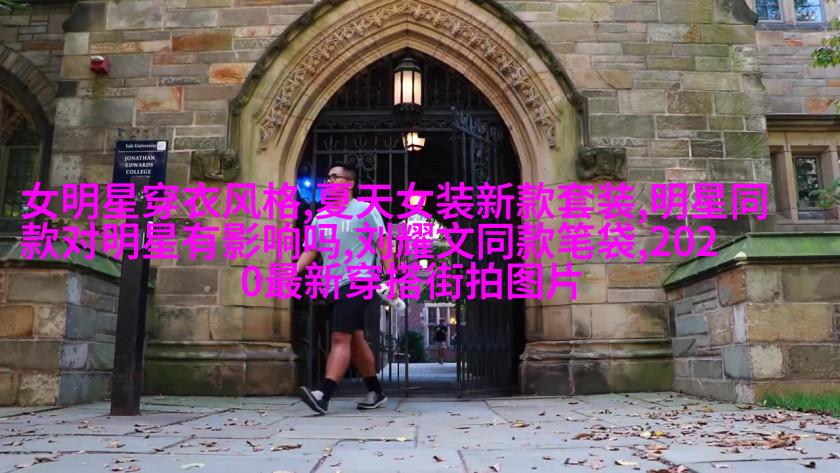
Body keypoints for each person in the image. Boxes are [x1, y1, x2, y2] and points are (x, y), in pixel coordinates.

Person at [295, 163, 394, 415]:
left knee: (340, 337)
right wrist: (293, 270)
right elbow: (311, 250)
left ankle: (323, 394)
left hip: (360, 280)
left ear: (349, 183)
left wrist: (391, 279)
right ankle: (376, 391)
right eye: (327, 177)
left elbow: (383, 244)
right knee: (355, 339)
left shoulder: (365, 210)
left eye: (334, 177)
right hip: (332, 285)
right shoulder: (321, 218)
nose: (328, 181)